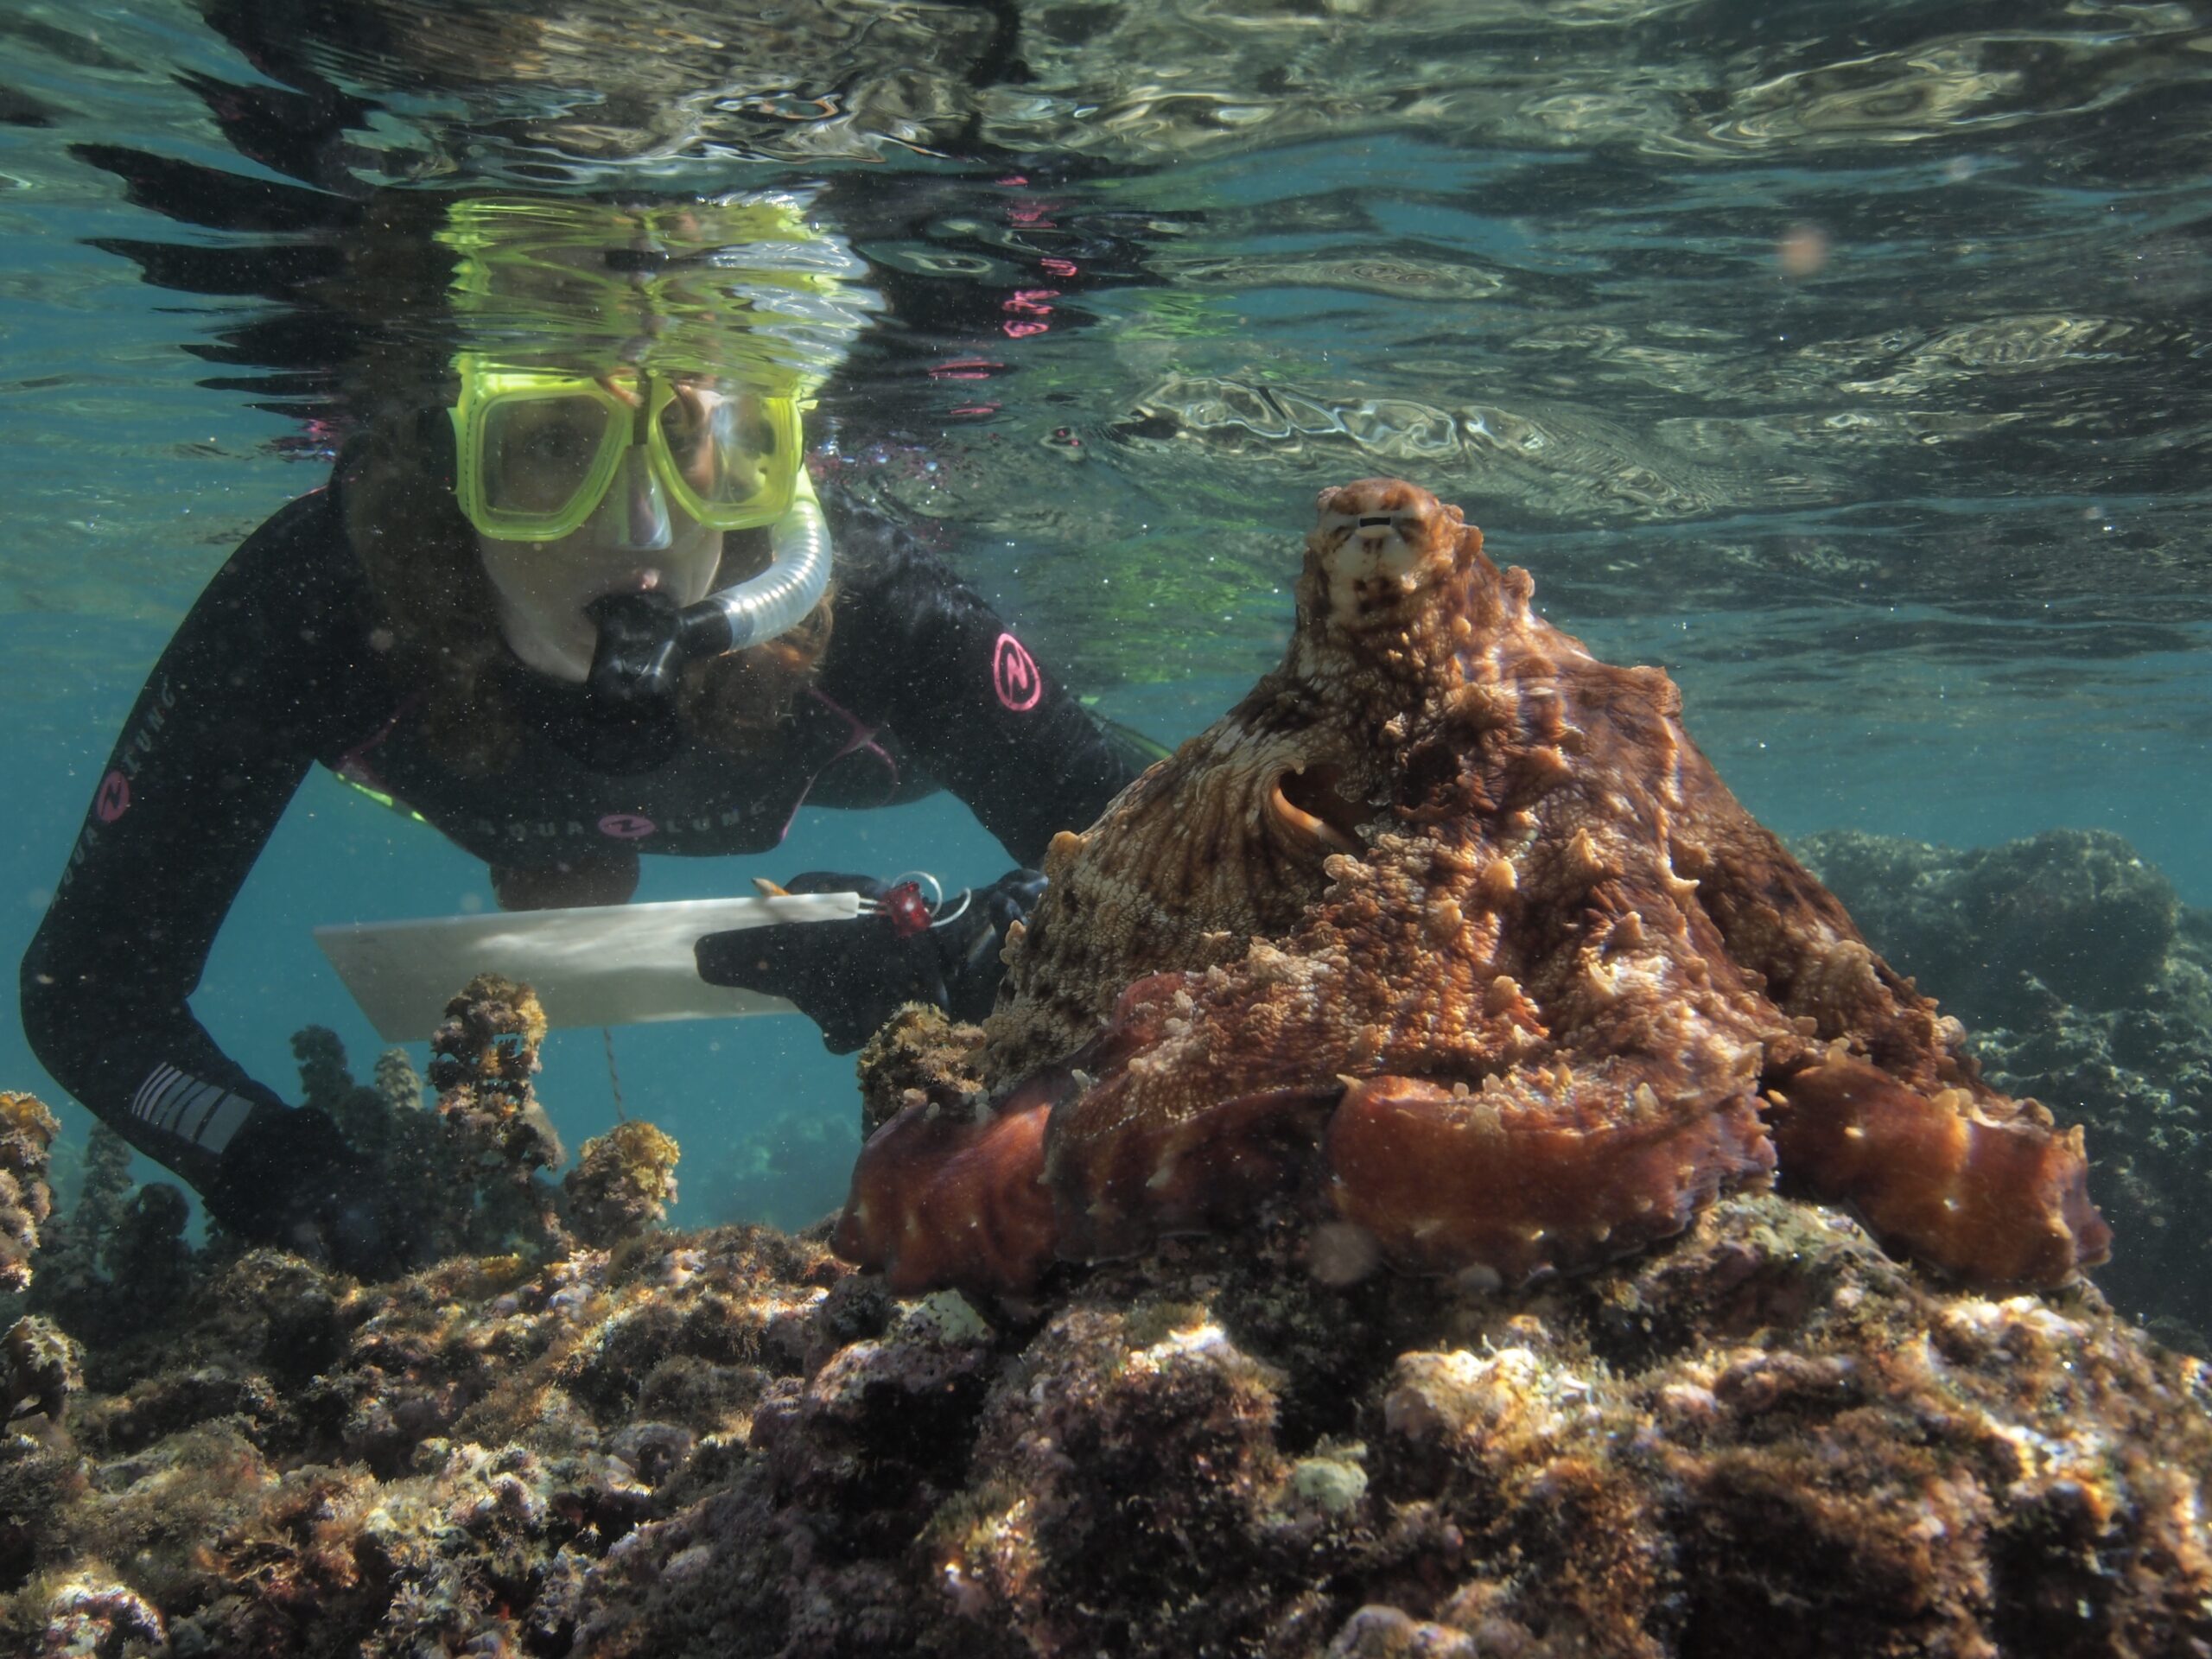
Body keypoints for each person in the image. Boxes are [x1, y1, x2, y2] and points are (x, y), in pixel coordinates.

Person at [21, 194, 1141, 1273]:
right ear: (454, 471)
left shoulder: (890, 623)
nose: (639, 529)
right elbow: (91, 998)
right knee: (559, 858)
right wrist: (277, 1166)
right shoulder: (314, 610)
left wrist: (998, 941)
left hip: (815, 784)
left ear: (762, 466)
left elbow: (1185, 844)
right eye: (555, 442)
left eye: (690, 440)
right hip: (494, 783)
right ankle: (556, 841)